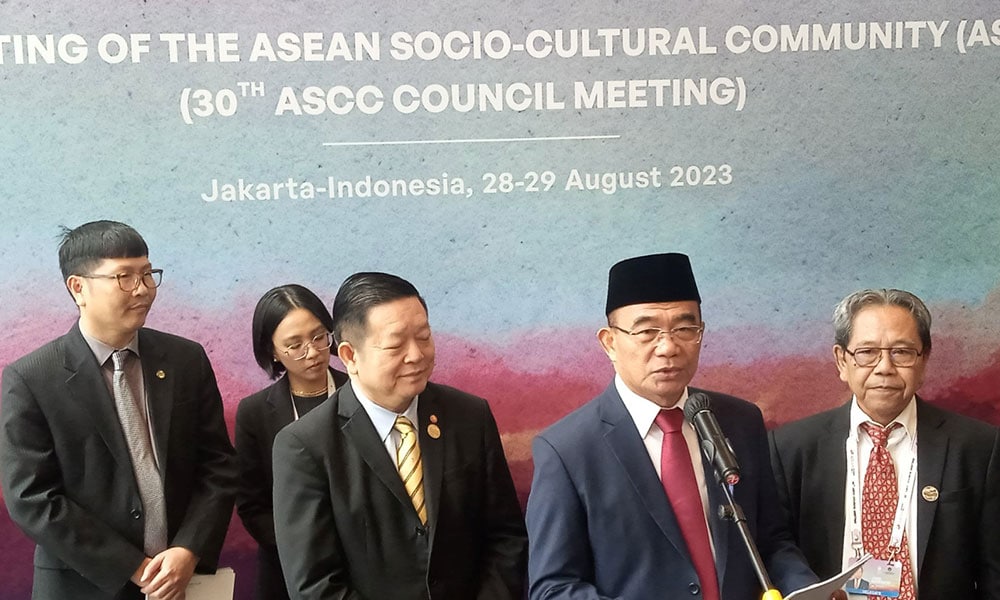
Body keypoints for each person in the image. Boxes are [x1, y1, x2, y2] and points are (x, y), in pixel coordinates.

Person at [526, 252, 820, 600]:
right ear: (609, 342)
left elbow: (771, 542)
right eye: (647, 331)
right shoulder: (567, 449)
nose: (668, 347)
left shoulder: (740, 422)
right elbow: (554, 587)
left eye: (684, 329)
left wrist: (805, 589)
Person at [0, 220, 237, 600]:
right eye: (124, 277)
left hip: (182, 580)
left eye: (147, 274)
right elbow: (32, 498)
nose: (142, 289)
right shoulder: (32, 379)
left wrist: (189, 549)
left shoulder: (185, 359)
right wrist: (133, 567)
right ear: (78, 287)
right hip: (83, 586)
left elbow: (218, 465)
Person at [271, 271, 528, 599]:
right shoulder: (305, 446)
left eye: (424, 336)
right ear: (350, 356)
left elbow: (506, 537)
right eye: (395, 344)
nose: (416, 355)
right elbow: (314, 585)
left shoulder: (469, 416)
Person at [770, 288, 1000, 599]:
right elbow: (776, 546)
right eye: (867, 352)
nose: (884, 367)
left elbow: (993, 572)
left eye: (901, 352)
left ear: (924, 360)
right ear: (841, 360)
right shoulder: (791, 448)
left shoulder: (978, 447)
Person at [235, 284, 349, 600]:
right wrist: (301, 547)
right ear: (272, 351)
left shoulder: (361, 393)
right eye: (294, 345)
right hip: (287, 570)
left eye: (319, 337)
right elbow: (252, 503)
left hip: (362, 563)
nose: (311, 352)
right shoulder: (255, 412)